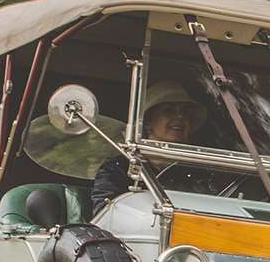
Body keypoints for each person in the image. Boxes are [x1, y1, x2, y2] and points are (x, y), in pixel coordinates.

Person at [88, 80, 209, 211]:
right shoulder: (119, 168)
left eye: (185, 112)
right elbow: (107, 213)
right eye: (169, 111)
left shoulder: (198, 173)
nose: (180, 116)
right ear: (147, 122)